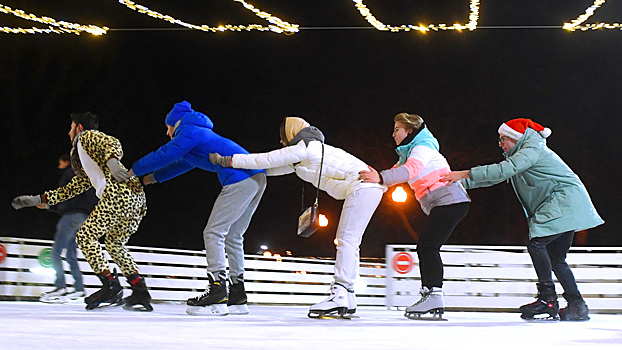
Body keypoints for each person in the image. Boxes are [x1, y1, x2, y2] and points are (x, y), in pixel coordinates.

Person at [209, 115, 386, 318]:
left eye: (283, 137)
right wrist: (248, 170)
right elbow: (267, 168)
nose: (282, 142)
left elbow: (265, 158)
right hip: (367, 188)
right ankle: (347, 296)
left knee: (347, 240)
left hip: (364, 186)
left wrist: (228, 160)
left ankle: (340, 293)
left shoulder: (305, 147)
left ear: (291, 133)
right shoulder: (303, 155)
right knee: (350, 241)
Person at [442, 118, 604, 321]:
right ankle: (577, 305)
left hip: (563, 200)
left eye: (503, 139)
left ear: (516, 138)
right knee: (556, 257)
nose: (500, 144)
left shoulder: (530, 150)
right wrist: (457, 184)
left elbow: (503, 170)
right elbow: (496, 177)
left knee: (536, 243)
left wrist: (463, 173)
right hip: (568, 203)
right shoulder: (523, 154)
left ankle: (548, 299)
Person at [128, 101, 266, 316]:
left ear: (176, 123)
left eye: (168, 127)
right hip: (256, 176)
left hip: (240, 178)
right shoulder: (198, 136)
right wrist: (147, 180)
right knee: (233, 236)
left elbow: (165, 154)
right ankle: (238, 295)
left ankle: (217, 291)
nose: (167, 132)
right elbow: (180, 164)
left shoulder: (189, 131)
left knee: (213, 232)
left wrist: (132, 170)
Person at [12, 112, 153, 311]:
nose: (68, 132)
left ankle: (110, 286)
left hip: (118, 194)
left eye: (70, 127)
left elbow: (110, 142)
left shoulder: (85, 137)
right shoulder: (89, 164)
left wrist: (113, 160)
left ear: (78, 128)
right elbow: (71, 189)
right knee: (114, 244)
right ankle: (140, 291)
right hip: (136, 198)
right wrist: (39, 199)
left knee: (86, 237)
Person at [359, 112, 470, 320]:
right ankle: (431, 295)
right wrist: (374, 178)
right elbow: (396, 171)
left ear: (410, 131)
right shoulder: (408, 154)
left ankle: (434, 296)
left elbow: (410, 171)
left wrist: (380, 177)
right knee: (427, 246)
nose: (393, 135)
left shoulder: (422, 148)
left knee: (427, 246)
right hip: (445, 202)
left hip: (451, 201)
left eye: (397, 130)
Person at [37, 154, 98, 303]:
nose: (59, 167)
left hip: (71, 217)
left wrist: (49, 203)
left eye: (61, 163)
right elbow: (75, 200)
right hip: (82, 218)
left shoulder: (71, 174)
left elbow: (65, 196)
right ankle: (78, 288)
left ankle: (60, 286)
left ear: (67, 162)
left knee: (56, 252)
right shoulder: (86, 176)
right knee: (71, 254)